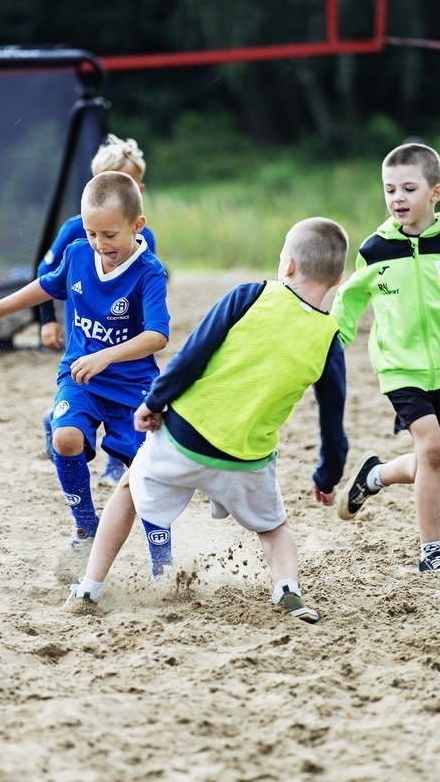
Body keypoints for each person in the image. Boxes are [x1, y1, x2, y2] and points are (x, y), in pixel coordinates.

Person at [64, 216, 350, 623]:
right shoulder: (329, 339)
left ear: (286, 266)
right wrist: (327, 476)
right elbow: (333, 425)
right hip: (247, 460)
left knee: (128, 489)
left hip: (185, 437)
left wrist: (154, 401)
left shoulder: (250, 295)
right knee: (273, 529)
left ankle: (89, 588)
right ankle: (287, 588)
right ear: (337, 280)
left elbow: (192, 356)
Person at [0, 171, 169, 550]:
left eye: (109, 235)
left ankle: (163, 559)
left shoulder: (149, 272)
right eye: (92, 233)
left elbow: (158, 335)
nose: (99, 243)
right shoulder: (78, 254)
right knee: (65, 438)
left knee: (143, 474)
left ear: (137, 225)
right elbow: (46, 286)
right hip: (80, 377)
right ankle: (85, 528)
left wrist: (107, 355)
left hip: (132, 387)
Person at [332, 143, 440, 573]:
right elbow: (348, 300)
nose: (397, 198)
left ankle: (376, 476)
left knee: (430, 458)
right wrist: (333, 338)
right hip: (397, 365)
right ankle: (431, 552)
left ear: (435, 192)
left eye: (408, 188)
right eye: (390, 190)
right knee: (435, 452)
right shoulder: (375, 248)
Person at [37, 134, 158, 486]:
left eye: (131, 183)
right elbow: (46, 277)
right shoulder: (78, 231)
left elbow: (148, 284)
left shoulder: (142, 237)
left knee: (133, 427)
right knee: (79, 402)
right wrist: (47, 321)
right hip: (88, 345)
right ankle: (60, 422)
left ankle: (113, 463)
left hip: (126, 355)